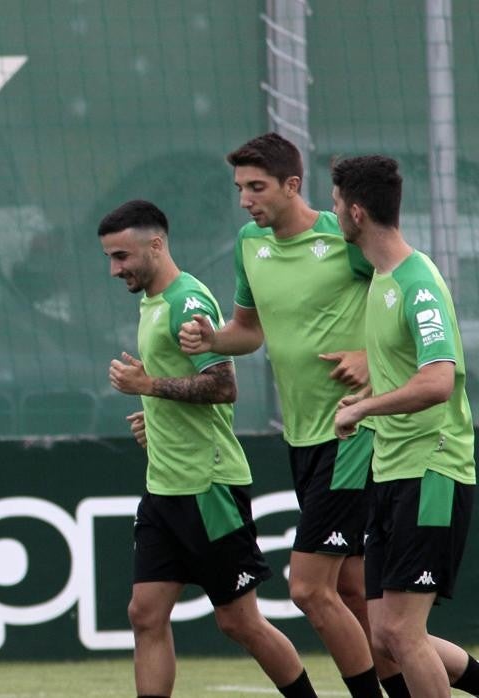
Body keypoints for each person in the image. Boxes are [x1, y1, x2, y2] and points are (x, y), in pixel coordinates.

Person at [179, 134, 479, 698]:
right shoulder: (251, 244)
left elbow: (417, 335)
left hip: (363, 439)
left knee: (311, 590)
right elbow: (250, 330)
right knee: (366, 606)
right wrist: (211, 339)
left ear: (295, 186)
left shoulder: (358, 250)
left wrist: (373, 365)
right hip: (313, 437)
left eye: (256, 187)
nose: (245, 199)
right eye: (239, 187)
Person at [98, 200, 317, 698]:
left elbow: (223, 386)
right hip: (164, 487)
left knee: (240, 622)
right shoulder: (152, 300)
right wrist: (156, 419)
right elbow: (182, 387)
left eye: (121, 256)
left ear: (156, 245)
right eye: (110, 258)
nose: (114, 269)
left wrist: (149, 386)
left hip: (207, 485)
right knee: (145, 614)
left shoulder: (187, 301)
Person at [330, 155, 478, 698]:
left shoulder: (417, 282)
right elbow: (403, 368)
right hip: (393, 470)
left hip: (432, 470)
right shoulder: (381, 278)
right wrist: (369, 393)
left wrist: (360, 409)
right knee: (384, 633)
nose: (333, 212)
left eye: (336, 203)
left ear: (358, 212)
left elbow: (438, 381)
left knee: (402, 633)